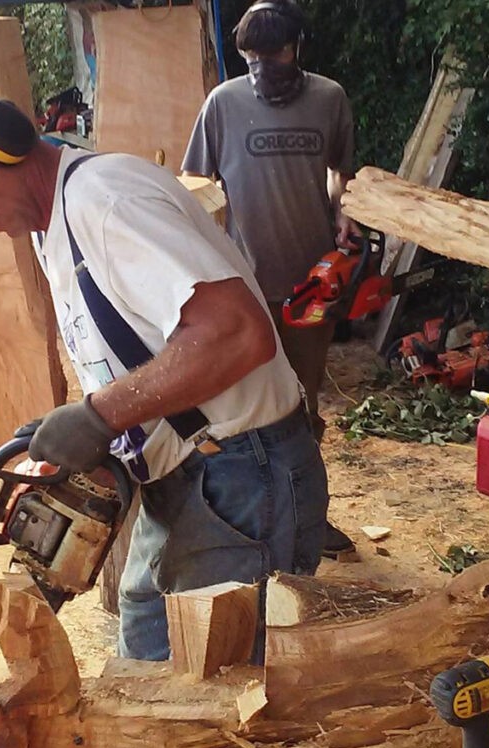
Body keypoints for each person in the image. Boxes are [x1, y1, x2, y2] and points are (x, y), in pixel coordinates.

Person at [0, 84, 329, 661]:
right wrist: (90, 432)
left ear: (1, 143)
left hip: (245, 474)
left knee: (214, 696)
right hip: (186, 476)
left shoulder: (105, 201)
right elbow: (139, 351)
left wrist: (100, 414)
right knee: (144, 638)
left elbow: (239, 333)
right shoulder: (53, 222)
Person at [181, 0, 358, 557]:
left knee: (303, 404)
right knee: (245, 407)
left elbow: (342, 176)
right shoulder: (223, 104)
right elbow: (194, 181)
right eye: (253, 58)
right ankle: (251, 520)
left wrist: (345, 216)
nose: (265, 68)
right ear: (243, 56)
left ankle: (310, 519)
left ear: (296, 48)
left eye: (274, 54)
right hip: (244, 287)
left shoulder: (329, 98)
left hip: (312, 284)